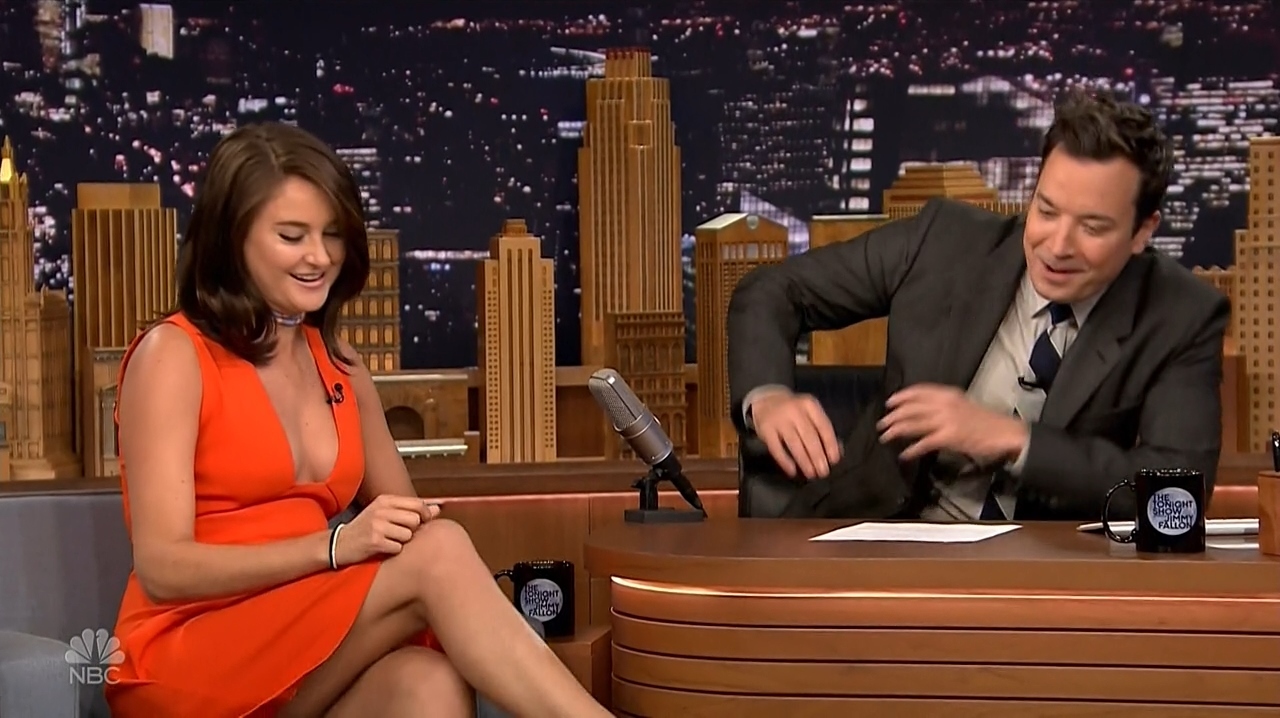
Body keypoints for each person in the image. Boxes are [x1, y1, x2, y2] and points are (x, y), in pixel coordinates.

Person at [107, 122, 611, 718]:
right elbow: (163, 568)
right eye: (292, 236)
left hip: (301, 633)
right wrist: (336, 546)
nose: (319, 257)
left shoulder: (339, 363)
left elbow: (411, 525)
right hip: (187, 650)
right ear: (230, 238)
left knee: (426, 683)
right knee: (440, 553)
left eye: (332, 235)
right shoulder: (173, 354)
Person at [727, 89, 1230, 521]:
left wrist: (1017, 441)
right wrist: (768, 396)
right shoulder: (944, 242)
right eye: (1046, 211)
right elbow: (774, 291)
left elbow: (1177, 493)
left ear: (1143, 231)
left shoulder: (1180, 315)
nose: (1057, 246)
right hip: (878, 540)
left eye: (1093, 227)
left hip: (1041, 580)